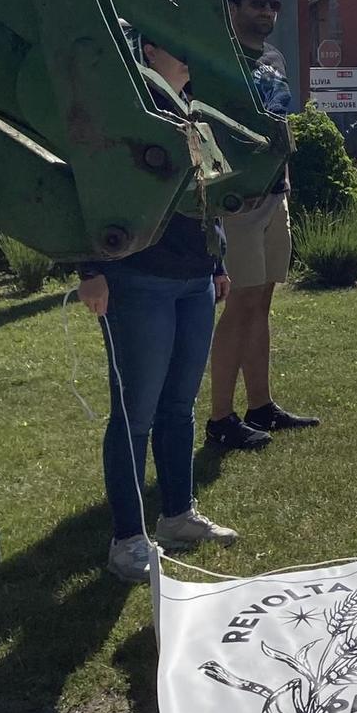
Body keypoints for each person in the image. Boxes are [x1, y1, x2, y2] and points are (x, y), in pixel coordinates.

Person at [80, 37, 237, 584]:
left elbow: (206, 192)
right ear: (151, 49)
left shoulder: (191, 108)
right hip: (138, 280)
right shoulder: (129, 104)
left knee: (178, 406)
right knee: (135, 415)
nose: (194, 54)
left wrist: (217, 262)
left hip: (193, 278)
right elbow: (86, 185)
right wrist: (89, 269)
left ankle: (176, 515)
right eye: (181, 45)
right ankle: (128, 539)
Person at [206, 0, 319, 447]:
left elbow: (280, 124)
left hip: (276, 195)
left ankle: (261, 405)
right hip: (238, 203)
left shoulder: (272, 58)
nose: (266, 13)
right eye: (256, 4)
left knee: (263, 300)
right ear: (232, 8)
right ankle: (220, 420)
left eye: (272, 5)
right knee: (239, 304)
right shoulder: (215, 61)